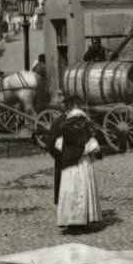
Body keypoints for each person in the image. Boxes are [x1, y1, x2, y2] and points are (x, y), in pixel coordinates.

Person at [48, 96, 102, 232]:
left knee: (69, 191)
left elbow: (52, 145)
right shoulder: (86, 124)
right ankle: (83, 219)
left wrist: (63, 157)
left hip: (66, 161)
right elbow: (94, 145)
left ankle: (71, 220)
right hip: (82, 162)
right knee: (81, 189)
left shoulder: (59, 122)